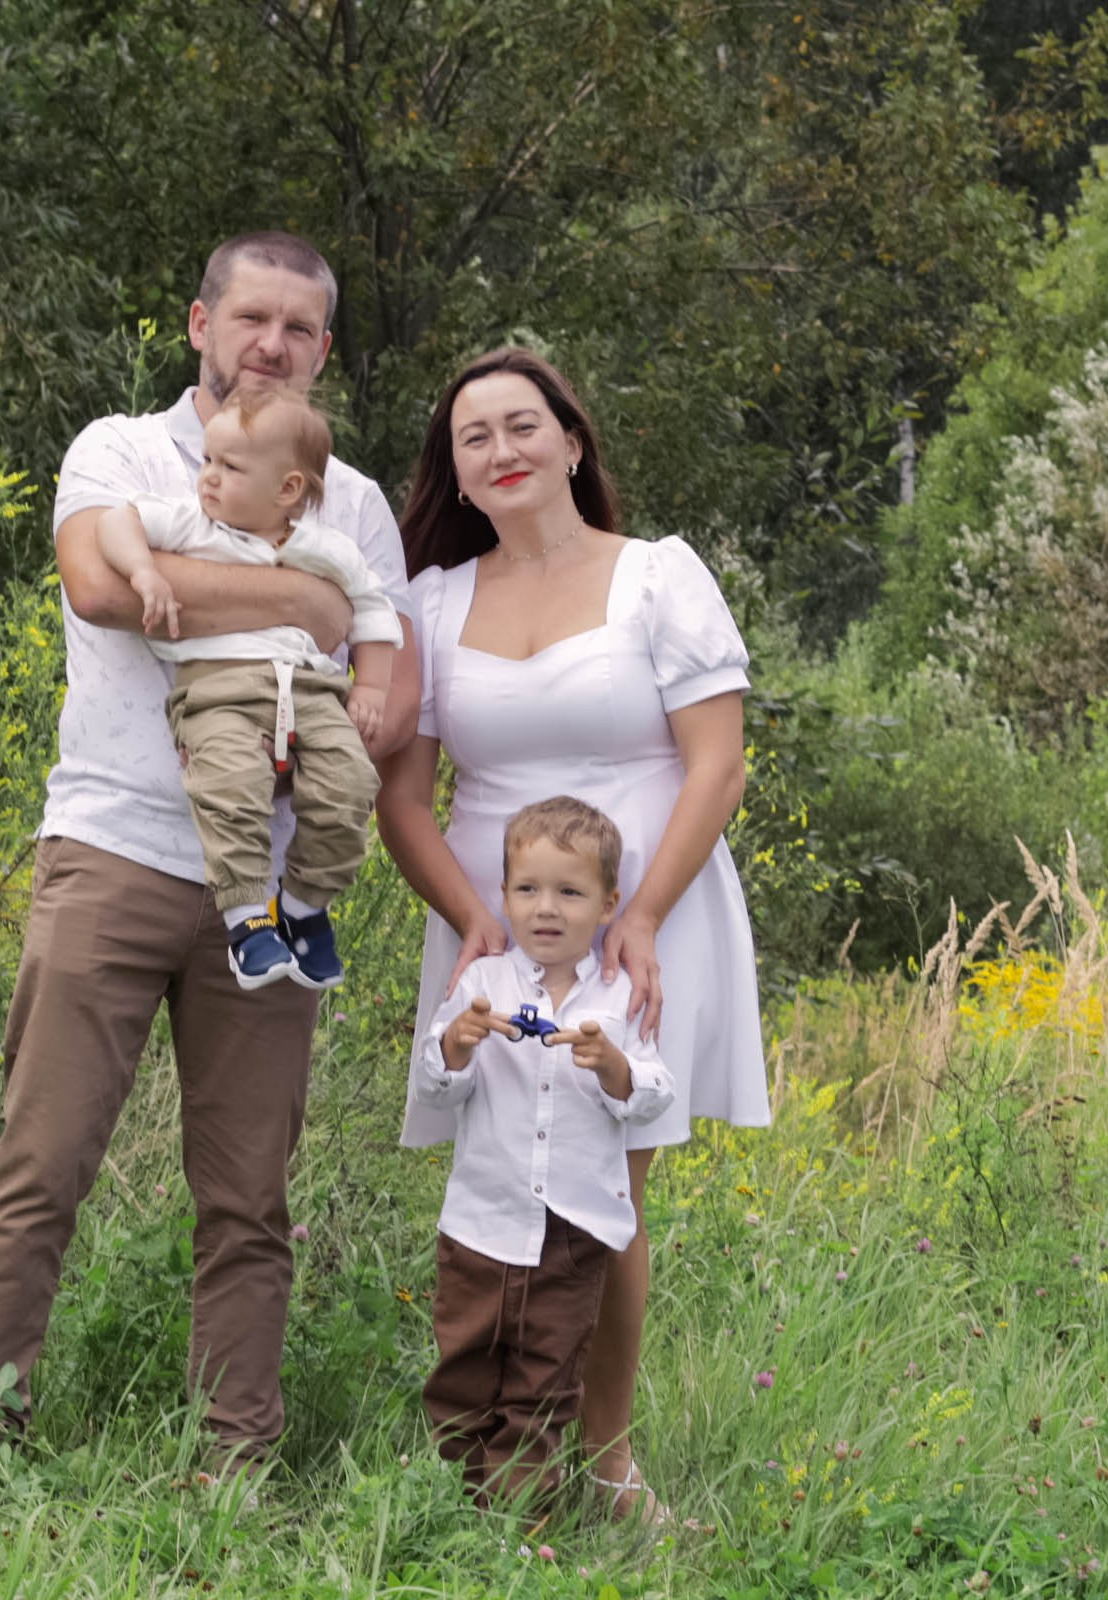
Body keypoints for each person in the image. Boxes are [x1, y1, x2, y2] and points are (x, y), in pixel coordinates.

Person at [0, 232, 417, 1484]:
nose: (272, 342)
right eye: (250, 317)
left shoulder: (351, 499)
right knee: (44, 1158)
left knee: (249, 1194)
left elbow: (389, 672)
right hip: (115, 849)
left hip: (268, 881)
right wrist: (300, 606)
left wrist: (292, 612)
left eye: (299, 328)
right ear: (199, 322)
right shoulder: (121, 450)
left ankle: (235, 1459)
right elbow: (101, 588)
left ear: (323, 349)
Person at [376, 346, 767, 1523]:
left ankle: (607, 1462)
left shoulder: (657, 575)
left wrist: (642, 911)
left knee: (608, 1186)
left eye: (521, 425)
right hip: (500, 911)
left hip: (647, 908)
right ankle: (497, 1447)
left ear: (572, 440)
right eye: (472, 438)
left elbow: (719, 759)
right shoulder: (433, 599)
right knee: (505, 1181)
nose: (501, 451)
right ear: (457, 469)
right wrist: (470, 916)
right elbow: (404, 799)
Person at [413, 797, 674, 1507]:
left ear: (608, 902)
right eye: (527, 890)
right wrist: (454, 1046)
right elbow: (435, 1089)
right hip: (481, 1226)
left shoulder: (621, 993)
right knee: (463, 1371)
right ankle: (453, 1502)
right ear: (503, 895)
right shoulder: (482, 983)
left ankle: (518, 1520)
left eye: (570, 892)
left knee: (547, 1378)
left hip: (571, 1235)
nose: (545, 909)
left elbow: (653, 1092)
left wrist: (614, 1065)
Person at [95, 387, 400, 988]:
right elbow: (117, 520)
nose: (207, 478)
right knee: (232, 786)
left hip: (312, 692)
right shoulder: (191, 525)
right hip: (218, 692)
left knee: (351, 785)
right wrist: (143, 569)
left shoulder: (327, 550)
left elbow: (373, 611)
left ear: (287, 489)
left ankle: (304, 907)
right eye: (207, 460)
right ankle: (247, 919)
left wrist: (373, 688)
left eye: (228, 467)